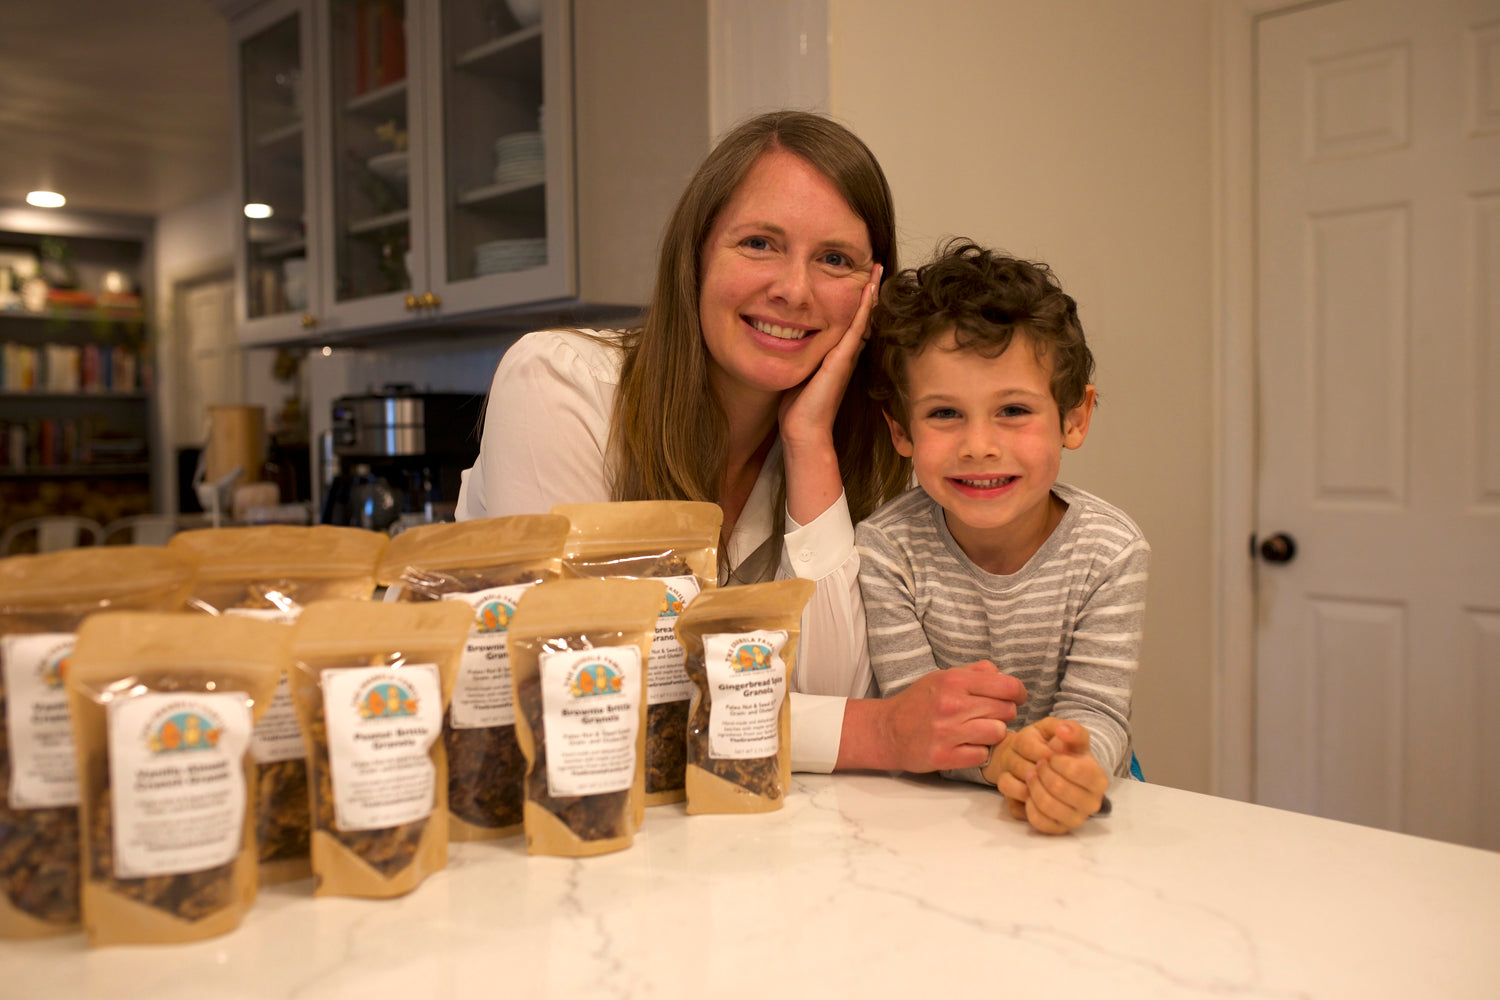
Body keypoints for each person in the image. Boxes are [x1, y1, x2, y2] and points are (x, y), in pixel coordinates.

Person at [457, 111, 1026, 774]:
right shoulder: (559, 384)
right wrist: (877, 733)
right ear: (696, 256)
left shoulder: (855, 442)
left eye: (835, 260)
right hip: (475, 794)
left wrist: (808, 439)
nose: (793, 290)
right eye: (759, 243)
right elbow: (583, 694)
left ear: (872, 295)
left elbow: (830, 689)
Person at [857, 240, 1150, 834]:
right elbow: (916, 712)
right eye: (944, 413)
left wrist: (1068, 767)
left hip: (1075, 784)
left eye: (1013, 410)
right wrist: (1000, 760)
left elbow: (1097, 710)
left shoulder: (1111, 551)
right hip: (943, 810)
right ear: (901, 431)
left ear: (1075, 418)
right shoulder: (886, 551)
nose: (979, 446)